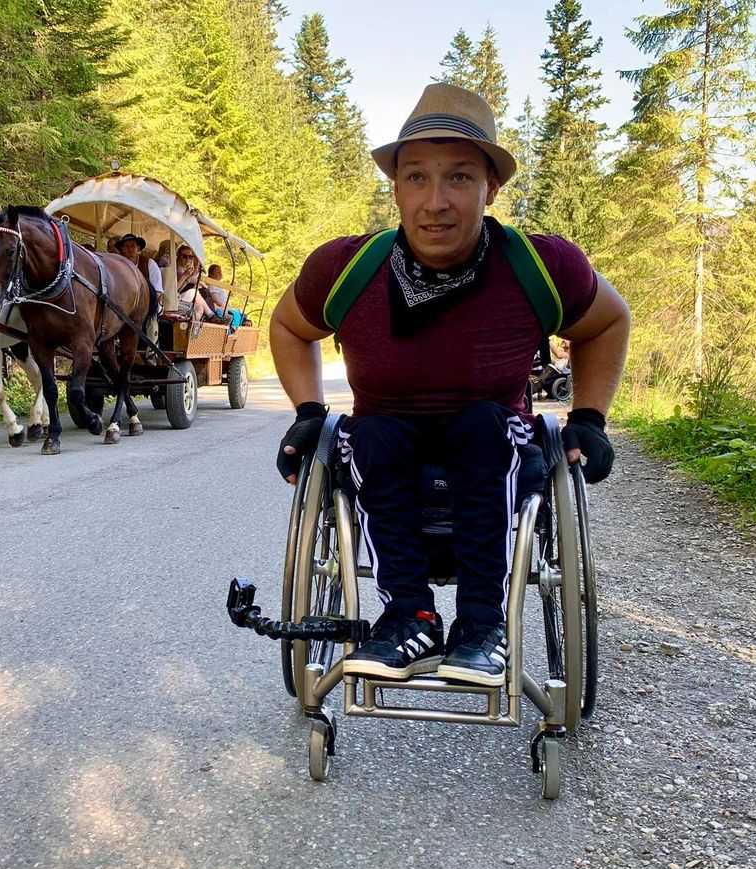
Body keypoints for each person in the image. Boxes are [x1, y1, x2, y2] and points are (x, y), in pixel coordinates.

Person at [269, 82, 630, 687]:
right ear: (396, 188)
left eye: (459, 177)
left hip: (493, 442)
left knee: (481, 426)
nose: (435, 201)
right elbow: (287, 324)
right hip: (386, 447)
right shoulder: (346, 268)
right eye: (417, 178)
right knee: (376, 434)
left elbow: (609, 321)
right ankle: (408, 617)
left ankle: (483, 625)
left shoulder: (539, 266)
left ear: (491, 188)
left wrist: (589, 419)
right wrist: (308, 409)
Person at [113, 233, 163, 319]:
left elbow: (158, 292)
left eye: (133, 246)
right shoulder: (117, 265)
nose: (130, 249)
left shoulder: (149, 264)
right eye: (127, 246)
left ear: (138, 248)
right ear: (122, 249)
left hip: (148, 307)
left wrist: (143, 307)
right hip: (123, 307)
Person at [176, 245, 220, 322]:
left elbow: (179, 289)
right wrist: (186, 277)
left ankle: (211, 316)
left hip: (179, 297)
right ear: (178, 256)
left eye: (190, 257)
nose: (188, 259)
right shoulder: (177, 271)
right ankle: (211, 315)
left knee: (199, 306)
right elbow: (175, 290)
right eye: (184, 256)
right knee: (195, 291)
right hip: (174, 300)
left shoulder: (185, 271)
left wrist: (187, 279)